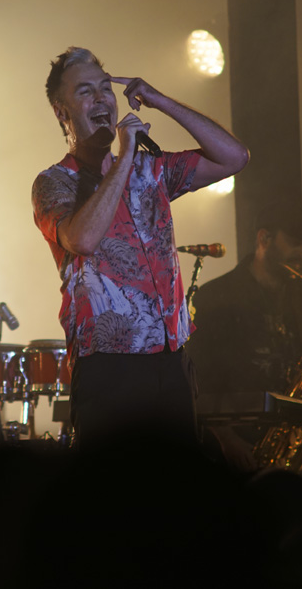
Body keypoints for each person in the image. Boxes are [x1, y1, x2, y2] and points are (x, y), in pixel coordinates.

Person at [31, 47, 249, 447]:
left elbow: (234, 157)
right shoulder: (54, 182)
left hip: (172, 359)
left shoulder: (153, 170)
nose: (101, 98)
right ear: (62, 112)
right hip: (110, 368)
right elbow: (81, 239)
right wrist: (126, 153)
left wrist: (161, 101)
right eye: (85, 91)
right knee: (118, 499)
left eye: (105, 88)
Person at [186, 201, 302, 507]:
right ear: (264, 238)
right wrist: (227, 439)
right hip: (247, 447)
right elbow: (196, 377)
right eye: (294, 244)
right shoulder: (216, 296)